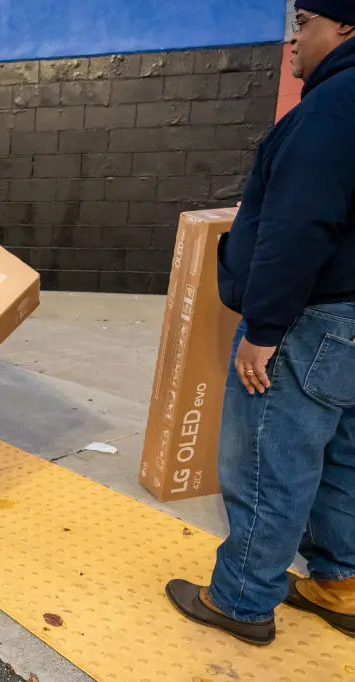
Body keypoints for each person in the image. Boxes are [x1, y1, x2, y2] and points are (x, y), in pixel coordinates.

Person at [165, 0, 355, 645]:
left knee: (271, 461)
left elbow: (297, 226)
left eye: (303, 24)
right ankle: (340, 582)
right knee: (343, 457)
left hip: (314, 318)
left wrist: (264, 332)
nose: (292, 41)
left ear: (346, 27)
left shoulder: (330, 111)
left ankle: (242, 600)